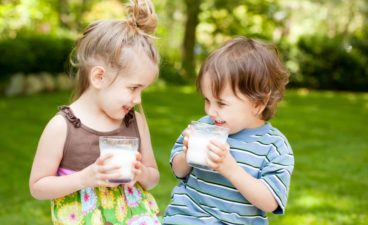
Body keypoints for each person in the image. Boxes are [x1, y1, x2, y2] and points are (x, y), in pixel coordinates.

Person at [29, 0, 161, 224]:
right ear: (99, 77)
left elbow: (153, 177)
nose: (138, 99)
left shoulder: (135, 121)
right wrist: (85, 178)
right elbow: (38, 186)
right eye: (133, 88)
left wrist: (141, 174)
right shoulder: (62, 127)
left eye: (142, 90)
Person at [163, 36, 294, 225]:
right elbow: (179, 170)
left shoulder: (274, 147)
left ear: (258, 104)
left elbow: (271, 202)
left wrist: (230, 169)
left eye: (221, 103)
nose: (210, 111)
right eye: (207, 100)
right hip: (186, 219)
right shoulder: (205, 126)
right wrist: (187, 153)